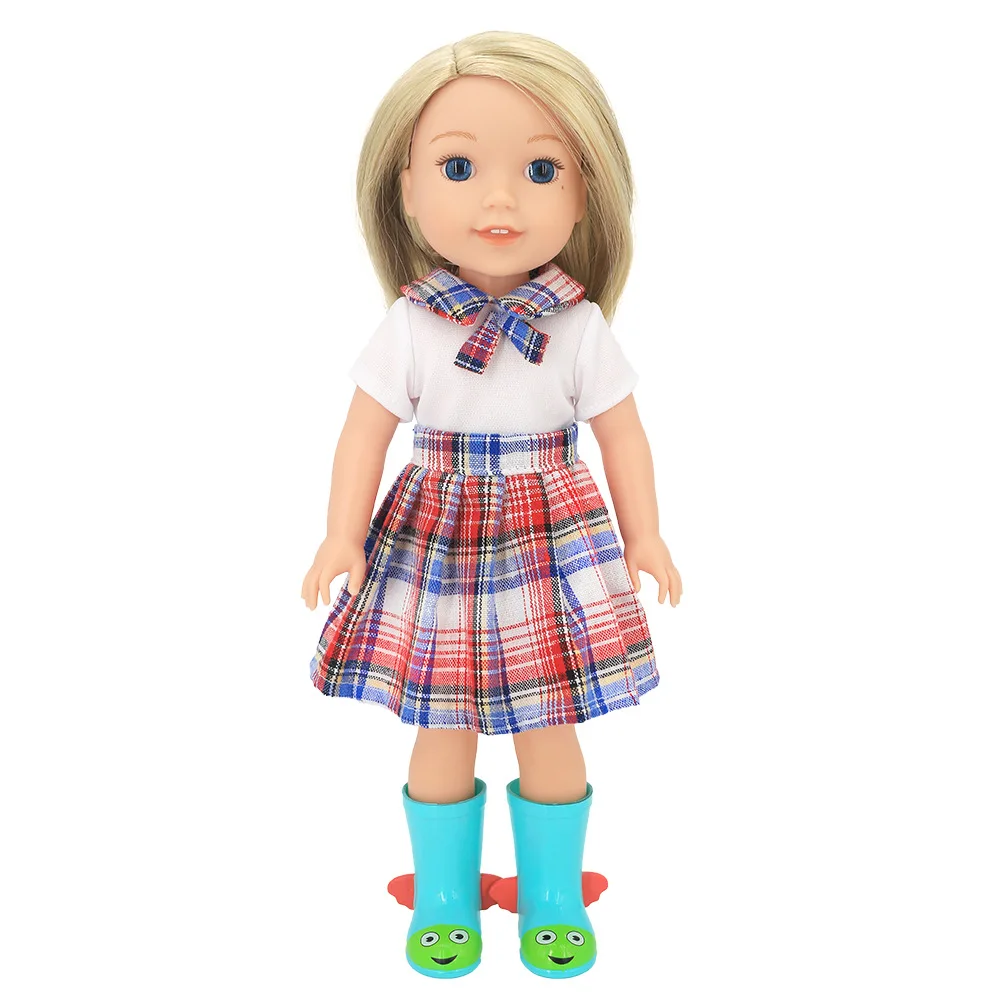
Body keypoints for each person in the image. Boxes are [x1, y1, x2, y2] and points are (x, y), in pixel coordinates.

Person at [301, 31, 683, 980]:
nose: (500, 200)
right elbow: (364, 434)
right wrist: (341, 534)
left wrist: (646, 534)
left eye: (541, 170)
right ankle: (444, 894)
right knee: (443, 718)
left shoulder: (579, 327)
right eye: (459, 168)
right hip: (437, 538)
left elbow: (623, 436)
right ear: (405, 188)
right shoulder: (412, 324)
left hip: (551, 537)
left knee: (552, 718)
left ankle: (552, 894)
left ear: (586, 192)